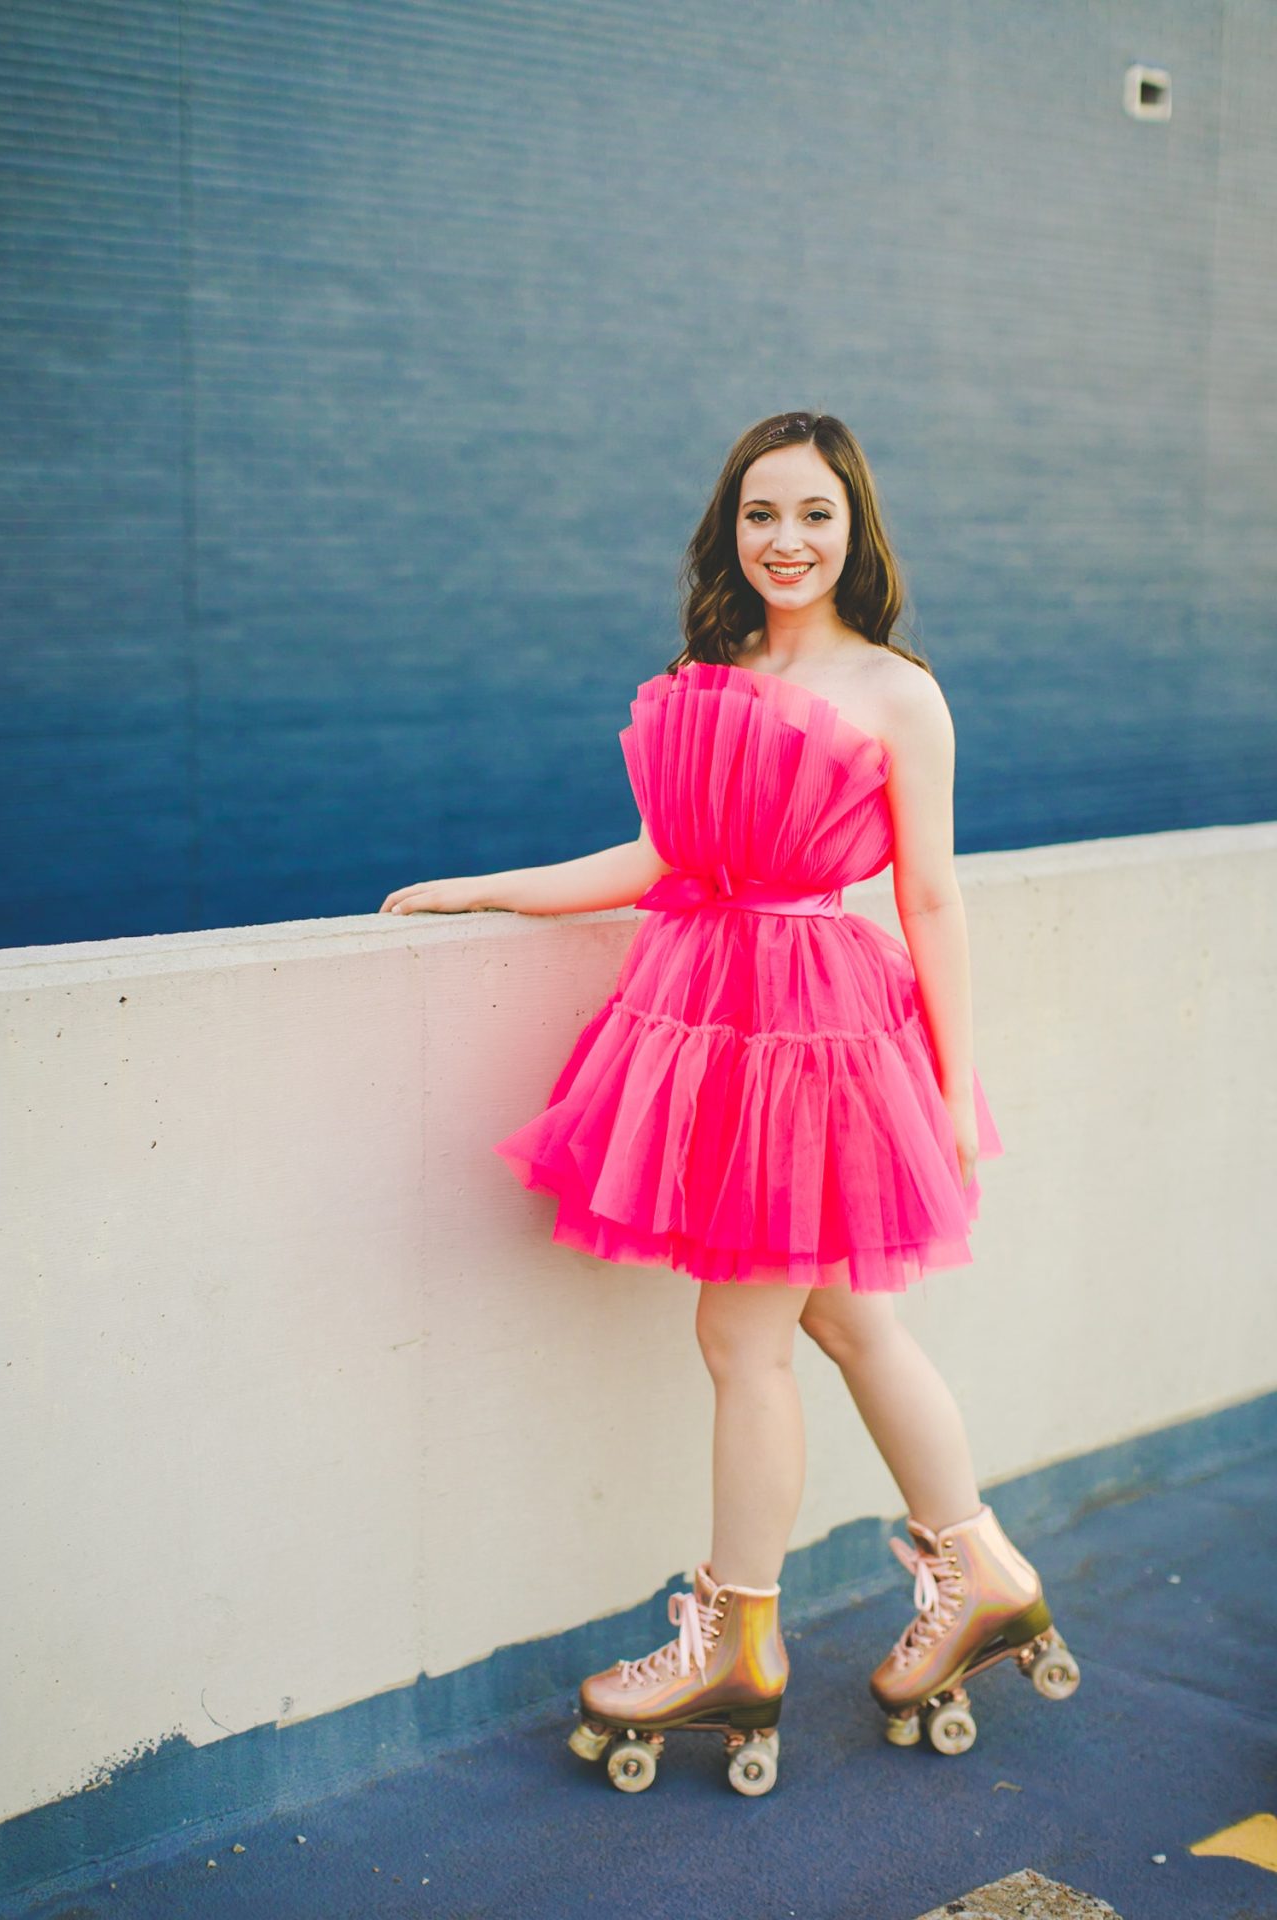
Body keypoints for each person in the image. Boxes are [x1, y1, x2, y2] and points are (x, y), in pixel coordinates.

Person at [377, 410, 1079, 1794]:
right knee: (845, 1317)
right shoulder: (707, 670)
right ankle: (982, 1571)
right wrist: (485, 886)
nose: (788, 541)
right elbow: (658, 857)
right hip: (712, 1013)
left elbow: (928, 895)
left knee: (743, 1335)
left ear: (854, 527)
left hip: (813, 1029)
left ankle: (734, 1638)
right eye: (763, 514)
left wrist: (949, 1086)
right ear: (730, 528)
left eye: (815, 514)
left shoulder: (898, 692)